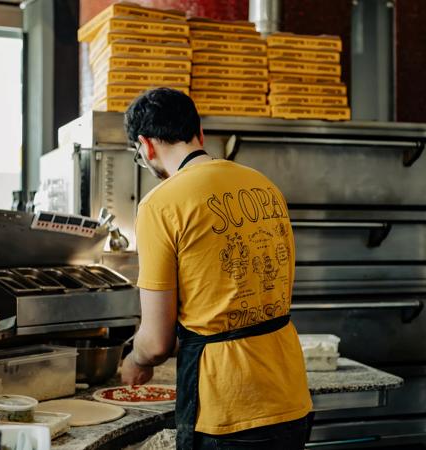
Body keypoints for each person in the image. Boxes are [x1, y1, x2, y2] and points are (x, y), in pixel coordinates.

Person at [119, 87, 312, 450]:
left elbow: (157, 342)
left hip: (227, 407)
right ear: (200, 134)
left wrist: (135, 359)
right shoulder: (265, 186)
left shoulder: (160, 205)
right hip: (290, 395)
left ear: (145, 145)